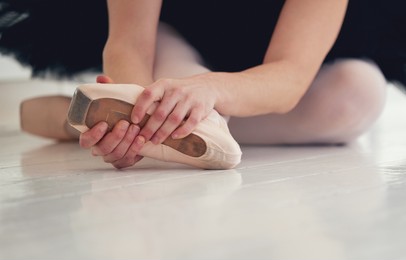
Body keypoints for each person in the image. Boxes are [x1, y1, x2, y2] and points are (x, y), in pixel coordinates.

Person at [1, 0, 405, 169]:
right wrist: (137, 114)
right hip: (179, 44)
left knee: (357, 94)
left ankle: (77, 117)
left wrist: (211, 90)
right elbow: (129, 43)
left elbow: (291, 73)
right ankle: (173, 122)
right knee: (164, 76)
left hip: (266, 63)